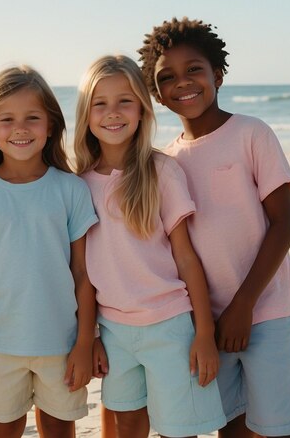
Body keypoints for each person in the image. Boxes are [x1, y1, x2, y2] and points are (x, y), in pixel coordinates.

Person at [139, 17, 290, 438]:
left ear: (217, 74)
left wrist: (244, 305)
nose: (183, 82)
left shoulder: (251, 133)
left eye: (193, 69)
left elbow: (285, 223)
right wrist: (206, 323)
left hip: (262, 310)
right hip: (207, 324)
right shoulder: (166, 162)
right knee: (231, 428)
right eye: (167, 78)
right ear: (157, 95)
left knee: (280, 429)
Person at [75, 55, 226, 438]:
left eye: (124, 101)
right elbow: (84, 274)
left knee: (179, 430)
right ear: (86, 114)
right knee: (126, 422)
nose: (113, 113)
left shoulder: (162, 171)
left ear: (142, 110)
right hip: (113, 330)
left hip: (170, 326)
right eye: (100, 103)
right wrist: (91, 336)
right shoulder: (77, 185)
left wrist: (204, 334)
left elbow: (187, 259)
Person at [0, 65, 98, 438]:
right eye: (7, 119)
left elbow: (83, 273)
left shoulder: (71, 190)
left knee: (59, 429)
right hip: (0, 343)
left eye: (32, 118)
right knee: (3, 428)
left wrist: (84, 342)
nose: (20, 128)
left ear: (50, 126)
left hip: (61, 342)